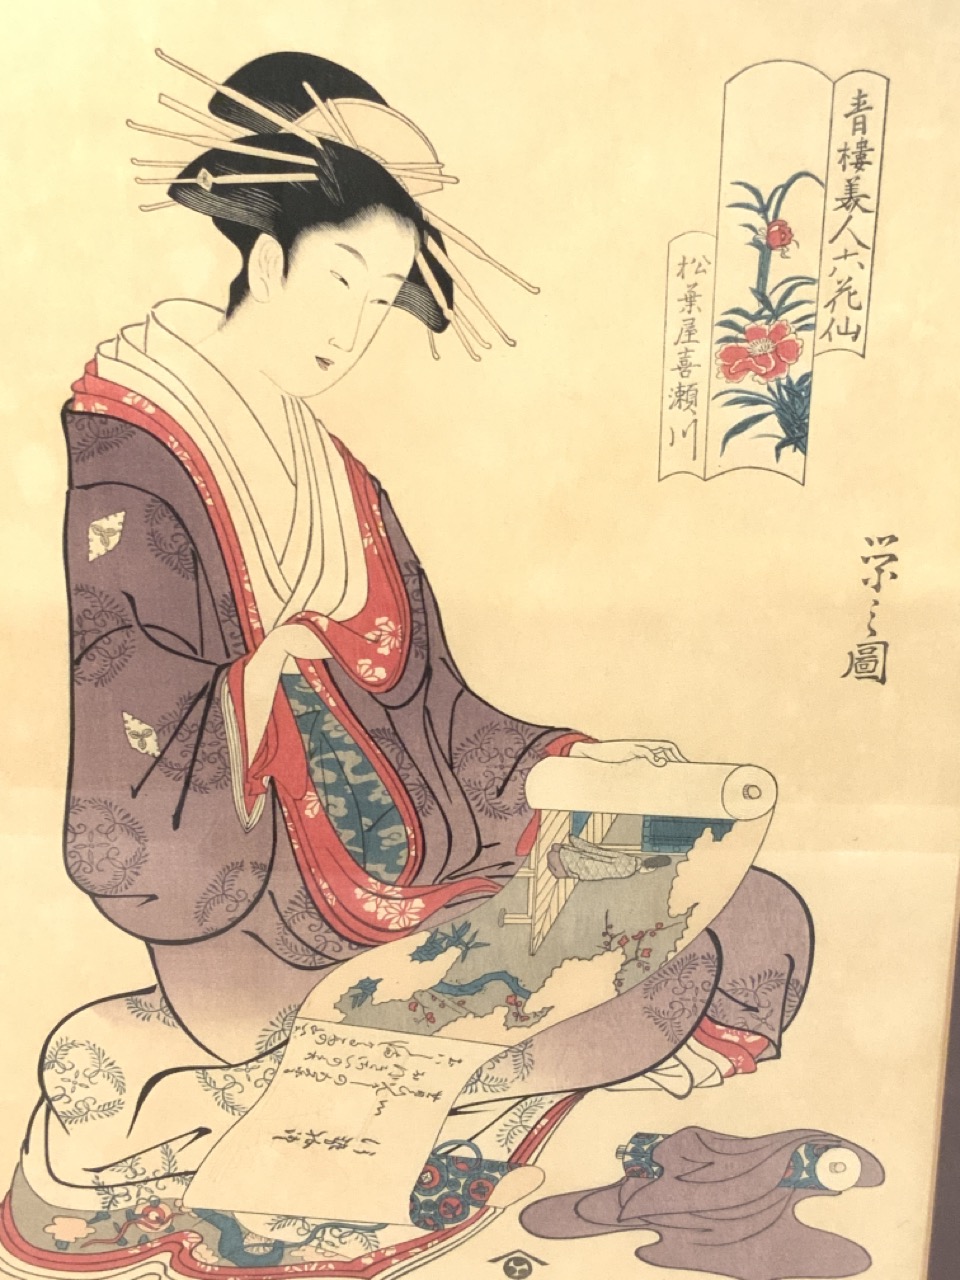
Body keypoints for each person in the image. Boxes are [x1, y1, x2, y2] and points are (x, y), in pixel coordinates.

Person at [2, 50, 813, 1274]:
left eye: (379, 296)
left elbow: (439, 714)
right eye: (339, 278)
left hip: (409, 859)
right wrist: (259, 683)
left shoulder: (339, 476)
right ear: (265, 257)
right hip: (257, 904)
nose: (351, 325)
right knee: (664, 975)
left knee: (746, 917)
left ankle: (342, 1106)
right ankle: (270, 1104)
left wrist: (583, 766)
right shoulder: (138, 442)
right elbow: (125, 687)